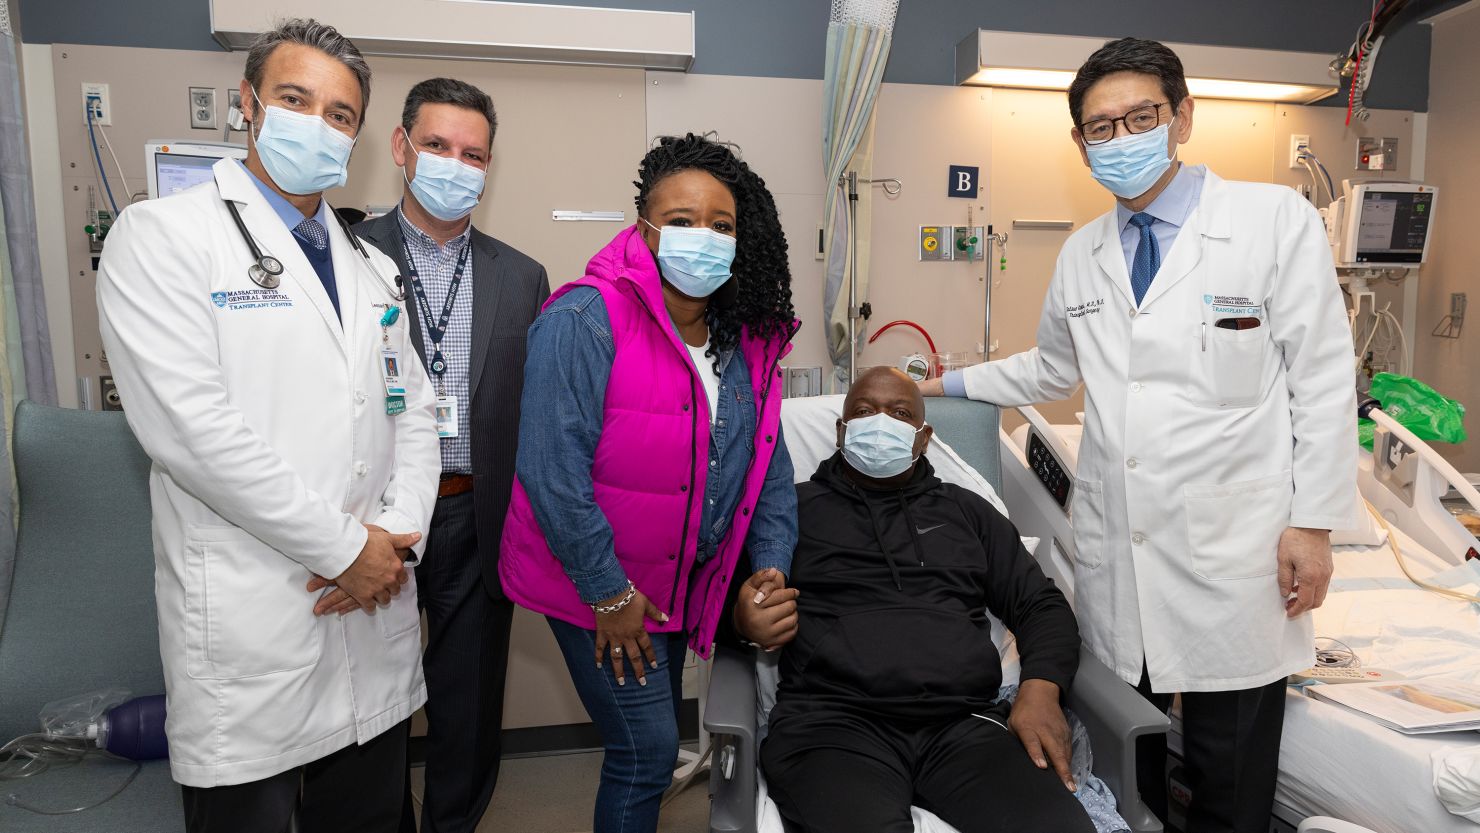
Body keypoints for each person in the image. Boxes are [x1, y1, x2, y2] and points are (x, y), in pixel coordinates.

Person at [921, 37, 1356, 832]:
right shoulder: (1084, 254)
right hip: (1121, 550)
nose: (1121, 139)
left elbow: (1323, 378)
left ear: (1182, 117)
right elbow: (1049, 369)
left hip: (1238, 552)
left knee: (1230, 777)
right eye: (1100, 127)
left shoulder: (1270, 221)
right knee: (1131, 763)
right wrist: (941, 385)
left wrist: (1315, 522)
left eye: (1140, 117)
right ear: (1081, 145)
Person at [96, 18, 440, 833]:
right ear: (248, 104)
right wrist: (345, 548)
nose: (318, 123)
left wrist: (394, 535)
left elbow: (414, 410)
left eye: (340, 113)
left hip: (373, 606)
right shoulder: (163, 238)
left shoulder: (372, 267)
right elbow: (195, 433)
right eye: (295, 98)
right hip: (254, 629)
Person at [499, 133, 799, 833]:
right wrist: (609, 592)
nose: (704, 238)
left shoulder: (745, 343)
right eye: (683, 221)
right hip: (597, 585)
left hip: (675, 585)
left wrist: (771, 568)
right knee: (647, 749)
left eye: (721, 226)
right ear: (644, 229)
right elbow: (551, 473)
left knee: (650, 742)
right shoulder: (583, 318)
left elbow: (768, 473)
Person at [730, 367, 1092, 833]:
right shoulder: (790, 514)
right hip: (832, 728)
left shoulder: (967, 513)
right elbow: (726, 601)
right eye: (863, 411)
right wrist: (742, 621)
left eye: (899, 413)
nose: (880, 422)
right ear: (841, 432)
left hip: (962, 726)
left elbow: (1041, 606)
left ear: (923, 438)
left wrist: (1041, 689)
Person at [354, 77, 551, 833]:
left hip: (475, 512)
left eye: (472, 153)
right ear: (401, 148)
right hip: (373, 519)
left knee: (468, 701)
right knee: (371, 698)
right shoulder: (347, 254)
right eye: (437, 146)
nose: (454, 164)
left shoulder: (521, 276)